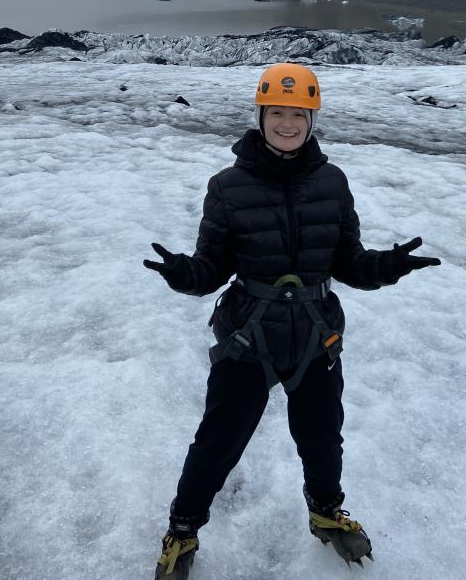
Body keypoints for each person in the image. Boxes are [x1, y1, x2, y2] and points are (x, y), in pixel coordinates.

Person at [144, 63, 441, 578]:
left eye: (298, 114)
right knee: (218, 441)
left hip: (314, 334)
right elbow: (212, 267)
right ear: (260, 117)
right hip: (248, 337)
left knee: (323, 437)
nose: (287, 124)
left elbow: (348, 262)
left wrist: (387, 266)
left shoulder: (332, 181)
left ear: (311, 119)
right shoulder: (228, 186)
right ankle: (183, 530)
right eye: (277, 113)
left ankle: (326, 514)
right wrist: (183, 275)